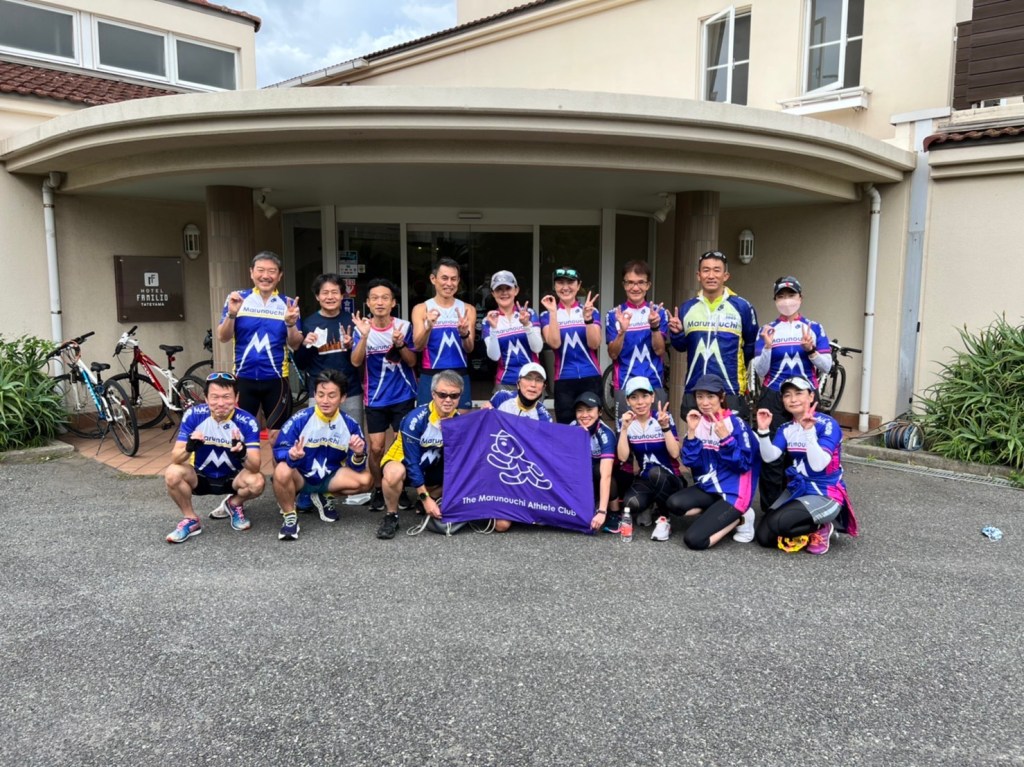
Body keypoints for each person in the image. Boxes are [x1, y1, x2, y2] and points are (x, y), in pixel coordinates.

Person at [750, 275, 833, 512]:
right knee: (772, 457)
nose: (787, 301)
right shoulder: (767, 329)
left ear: (800, 297)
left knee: (805, 449)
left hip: (806, 397)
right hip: (774, 395)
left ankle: (805, 508)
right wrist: (768, 346)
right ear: (775, 300)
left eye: (791, 295)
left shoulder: (814, 327)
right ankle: (771, 512)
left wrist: (811, 350)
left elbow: (827, 366)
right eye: (781, 296)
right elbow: (760, 370)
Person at [753, 375, 859, 554]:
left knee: (779, 523)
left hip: (825, 493)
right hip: (799, 489)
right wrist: (763, 431)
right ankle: (811, 526)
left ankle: (823, 526)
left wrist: (809, 431)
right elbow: (770, 457)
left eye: (798, 393)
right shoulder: (786, 428)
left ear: (811, 396)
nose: (793, 399)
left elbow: (818, 465)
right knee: (764, 537)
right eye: (787, 395)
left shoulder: (827, 424)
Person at [272, 371, 372, 541]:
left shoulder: (350, 425)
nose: (325, 401)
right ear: (315, 395)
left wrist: (358, 454)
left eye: (332, 395)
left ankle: (323, 494)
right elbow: (278, 450)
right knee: (281, 470)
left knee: (366, 480)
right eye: (320, 395)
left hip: (329, 477)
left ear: (342, 398)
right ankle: (290, 517)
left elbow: (357, 467)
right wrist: (291, 455)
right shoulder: (300, 419)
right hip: (300, 476)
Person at [164, 372, 264, 544]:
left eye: (226, 397)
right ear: (206, 398)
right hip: (200, 477)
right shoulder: (194, 415)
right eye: (215, 397)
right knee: (173, 473)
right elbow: (176, 458)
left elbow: (255, 467)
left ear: (236, 397)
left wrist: (243, 453)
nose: (221, 403)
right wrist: (189, 447)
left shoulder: (248, 421)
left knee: (257, 481)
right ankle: (191, 519)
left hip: (233, 479)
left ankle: (234, 504)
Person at [664, 374, 758, 548]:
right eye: (700, 396)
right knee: (673, 503)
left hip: (733, 493)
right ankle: (718, 513)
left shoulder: (736, 424)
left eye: (711, 396)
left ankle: (740, 517)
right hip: (708, 488)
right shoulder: (698, 421)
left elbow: (744, 464)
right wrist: (691, 432)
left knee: (694, 540)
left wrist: (726, 439)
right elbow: (690, 462)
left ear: (721, 397)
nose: (704, 402)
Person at [217, 251, 303, 442]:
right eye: (260, 270)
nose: (266, 276)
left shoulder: (288, 304)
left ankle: (277, 464)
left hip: (276, 380)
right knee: (239, 435)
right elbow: (223, 337)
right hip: (243, 378)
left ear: (279, 275)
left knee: (278, 436)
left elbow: (296, 344)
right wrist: (232, 314)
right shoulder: (238, 299)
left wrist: (290, 324)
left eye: (272, 271)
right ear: (251, 272)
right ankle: (246, 463)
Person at [350, 278, 419, 512]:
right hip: (375, 398)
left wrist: (400, 344)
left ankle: (399, 488)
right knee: (377, 447)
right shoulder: (361, 328)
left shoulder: (404, 327)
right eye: (375, 298)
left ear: (393, 303)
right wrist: (364, 337)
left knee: (402, 445)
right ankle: (379, 488)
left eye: (385, 298)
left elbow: (412, 361)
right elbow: (355, 361)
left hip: (403, 396)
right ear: (368, 303)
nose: (380, 302)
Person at [667, 250, 758, 420]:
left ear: (726, 276)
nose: (711, 275)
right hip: (695, 388)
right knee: (696, 435)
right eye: (706, 270)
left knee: (730, 435)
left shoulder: (742, 307)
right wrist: (677, 333)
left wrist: (736, 364)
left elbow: (752, 345)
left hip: (730, 388)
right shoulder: (687, 308)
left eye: (717, 270)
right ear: (698, 275)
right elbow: (680, 347)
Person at [376, 369, 463, 540]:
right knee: (394, 474)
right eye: (442, 394)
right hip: (404, 463)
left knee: (464, 472)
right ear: (433, 394)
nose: (448, 400)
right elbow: (412, 462)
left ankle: (431, 496)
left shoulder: (459, 420)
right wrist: (425, 498)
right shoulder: (415, 419)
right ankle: (391, 515)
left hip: (430, 466)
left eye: (454, 396)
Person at [293, 273, 364, 424]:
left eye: (334, 292)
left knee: (353, 434)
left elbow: (361, 361)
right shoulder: (309, 323)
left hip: (350, 391)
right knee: (317, 435)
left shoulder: (352, 321)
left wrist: (352, 346)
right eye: (325, 293)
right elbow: (301, 364)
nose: (330, 297)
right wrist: (305, 345)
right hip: (320, 392)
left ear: (342, 295)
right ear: (317, 296)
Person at [616, 376, 685, 531]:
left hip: (670, 478)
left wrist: (665, 427)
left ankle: (664, 516)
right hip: (646, 478)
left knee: (656, 472)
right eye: (634, 397)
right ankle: (651, 503)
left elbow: (675, 453)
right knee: (630, 503)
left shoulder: (663, 418)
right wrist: (624, 429)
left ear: (652, 397)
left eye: (645, 396)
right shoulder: (626, 422)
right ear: (627, 401)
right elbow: (622, 457)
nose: (640, 402)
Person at [411, 258, 476, 412]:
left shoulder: (468, 309)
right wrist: (428, 327)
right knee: (427, 422)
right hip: (431, 374)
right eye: (444, 278)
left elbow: (469, 348)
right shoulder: (421, 309)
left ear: (458, 281)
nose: (449, 283)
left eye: (453, 279)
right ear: (433, 279)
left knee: (461, 423)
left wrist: (464, 334)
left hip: (459, 373)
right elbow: (418, 346)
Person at [606, 260, 669, 419]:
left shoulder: (658, 313)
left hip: (654, 383)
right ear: (624, 285)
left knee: (657, 430)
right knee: (625, 431)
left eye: (641, 282)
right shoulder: (614, 315)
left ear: (648, 285)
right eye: (630, 283)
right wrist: (622, 332)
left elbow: (660, 350)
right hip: (625, 384)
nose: (635, 288)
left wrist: (654, 327)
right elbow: (613, 354)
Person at [540, 267, 602, 424]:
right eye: (560, 282)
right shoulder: (547, 314)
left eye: (570, 282)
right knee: (566, 428)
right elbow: (554, 343)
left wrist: (588, 319)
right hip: (564, 379)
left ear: (579, 285)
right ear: (554, 286)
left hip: (591, 377)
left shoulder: (590, 310)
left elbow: (595, 344)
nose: (565, 287)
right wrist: (553, 313)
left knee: (592, 426)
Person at [482, 270, 543, 394]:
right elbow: (494, 356)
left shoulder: (529, 313)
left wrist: (527, 325)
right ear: (493, 293)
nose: (504, 293)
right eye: (499, 289)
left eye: (508, 288)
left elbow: (537, 348)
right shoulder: (489, 320)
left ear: (516, 290)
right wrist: (494, 329)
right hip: (505, 382)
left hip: (532, 380)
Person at [569, 390, 622, 533]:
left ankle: (615, 512)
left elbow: (606, 475)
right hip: (584, 478)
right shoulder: (572, 428)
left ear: (600, 412)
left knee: (599, 470)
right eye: (580, 410)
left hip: (606, 478)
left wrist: (602, 511)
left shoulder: (606, 434)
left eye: (589, 410)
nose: (584, 415)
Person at [482, 362, 552, 422]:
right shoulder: (501, 397)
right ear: (518, 384)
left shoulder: (544, 417)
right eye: (528, 378)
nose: (533, 384)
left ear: (543, 388)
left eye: (538, 380)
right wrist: (484, 411)